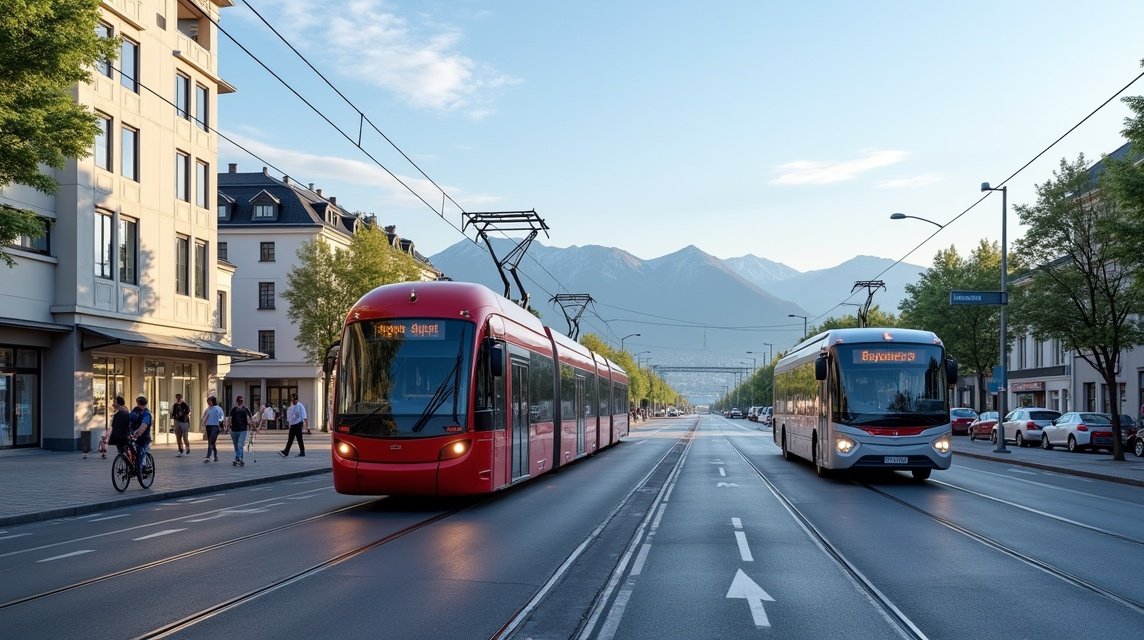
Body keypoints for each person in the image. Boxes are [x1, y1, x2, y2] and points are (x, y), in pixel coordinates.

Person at [279, 393, 308, 458]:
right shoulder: (291, 407)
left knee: (299, 438)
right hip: (293, 424)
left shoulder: (300, 406)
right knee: (291, 438)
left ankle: (300, 452)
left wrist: (306, 425)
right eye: (293, 400)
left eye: (295, 400)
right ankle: (286, 451)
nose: (293, 401)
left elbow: (304, 415)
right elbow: (289, 416)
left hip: (298, 424)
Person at [227, 395, 252, 466]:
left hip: (243, 430)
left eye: (241, 401)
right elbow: (229, 418)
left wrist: (252, 426)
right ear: (236, 401)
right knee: (236, 446)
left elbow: (250, 418)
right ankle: (239, 458)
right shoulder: (233, 409)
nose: (240, 402)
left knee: (239, 445)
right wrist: (228, 426)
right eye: (239, 401)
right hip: (234, 430)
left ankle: (239, 458)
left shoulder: (246, 409)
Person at [129, 395, 153, 469]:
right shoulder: (135, 411)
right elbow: (128, 420)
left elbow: (144, 426)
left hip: (143, 438)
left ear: (138, 403)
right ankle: (132, 465)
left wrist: (137, 433)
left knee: (140, 453)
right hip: (135, 435)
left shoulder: (146, 414)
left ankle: (141, 467)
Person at [201, 396, 224, 463]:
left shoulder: (218, 408)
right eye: (207, 402)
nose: (208, 403)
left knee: (211, 440)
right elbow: (204, 417)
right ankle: (215, 455)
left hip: (215, 426)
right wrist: (203, 424)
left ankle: (208, 456)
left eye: (209, 401)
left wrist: (221, 425)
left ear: (213, 401)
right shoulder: (208, 409)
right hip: (208, 426)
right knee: (212, 442)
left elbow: (221, 417)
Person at [171, 393, 191, 457]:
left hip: (184, 422)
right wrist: (175, 417)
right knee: (178, 437)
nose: (178, 398)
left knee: (185, 436)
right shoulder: (175, 405)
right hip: (177, 421)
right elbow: (173, 413)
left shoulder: (185, 404)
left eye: (179, 397)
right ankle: (180, 450)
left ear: (181, 397)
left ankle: (187, 446)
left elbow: (188, 412)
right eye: (177, 397)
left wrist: (183, 415)